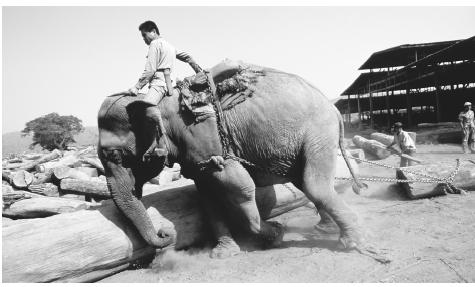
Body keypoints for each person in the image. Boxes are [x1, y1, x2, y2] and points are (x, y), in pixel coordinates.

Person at [128, 20, 202, 160]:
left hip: (159, 84)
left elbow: (150, 70)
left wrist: (136, 87)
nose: (144, 39)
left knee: (146, 109)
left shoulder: (155, 44)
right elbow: (188, 57)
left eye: (144, 35)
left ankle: (160, 144)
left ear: (153, 32)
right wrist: (198, 70)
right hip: (171, 86)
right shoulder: (170, 45)